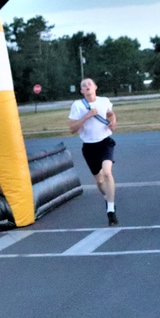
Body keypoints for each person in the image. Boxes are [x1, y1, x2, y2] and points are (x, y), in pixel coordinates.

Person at [68, 77, 119, 226]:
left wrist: (113, 121)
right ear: (82, 91)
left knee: (107, 172)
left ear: (95, 87)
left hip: (105, 142)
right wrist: (87, 116)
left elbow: (110, 114)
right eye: (84, 85)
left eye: (89, 84)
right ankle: (107, 198)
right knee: (99, 181)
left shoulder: (104, 101)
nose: (87, 86)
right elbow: (72, 129)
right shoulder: (77, 105)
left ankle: (110, 209)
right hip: (89, 147)